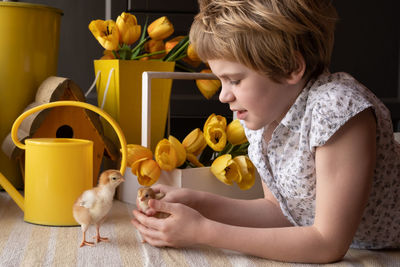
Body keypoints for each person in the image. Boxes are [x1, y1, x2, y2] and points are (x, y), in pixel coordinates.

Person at [131, 0, 400, 263]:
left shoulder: (337, 111)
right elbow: (280, 212)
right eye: (220, 80)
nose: (223, 96)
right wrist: (198, 203)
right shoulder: (265, 116)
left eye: (235, 80)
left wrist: (204, 231)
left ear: (290, 67)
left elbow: (327, 243)